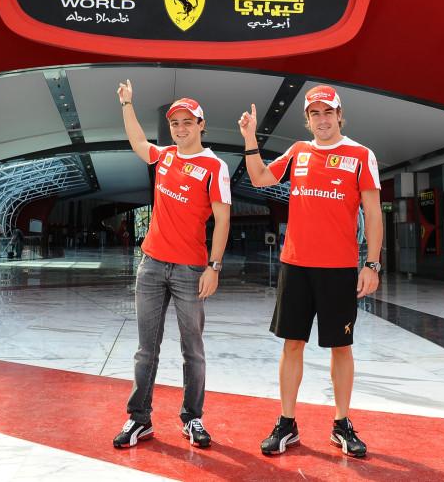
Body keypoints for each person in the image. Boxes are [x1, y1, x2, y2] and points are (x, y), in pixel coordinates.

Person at [238, 85, 383, 458]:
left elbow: (373, 212)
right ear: (308, 119)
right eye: (315, 113)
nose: (322, 119)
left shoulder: (360, 155)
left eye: (328, 112)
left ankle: (341, 424)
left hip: (338, 269)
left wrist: (372, 263)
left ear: (340, 115)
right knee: (292, 344)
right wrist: (250, 139)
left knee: (341, 347)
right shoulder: (298, 152)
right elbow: (259, 178)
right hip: (296, 265)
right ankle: (286, 423)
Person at [113, 79, 231, 450]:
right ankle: (139, 419)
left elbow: (223, 219)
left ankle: (192, 418)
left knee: (192, 349)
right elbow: (137, 143)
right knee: (146, 349)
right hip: (151, 265)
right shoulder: (164, 157)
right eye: (175, 123)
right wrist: (127, 104)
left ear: (201, 125)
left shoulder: (214, 166)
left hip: (191, 271)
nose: (181, 129)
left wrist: (215, 266)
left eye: (187, 122)